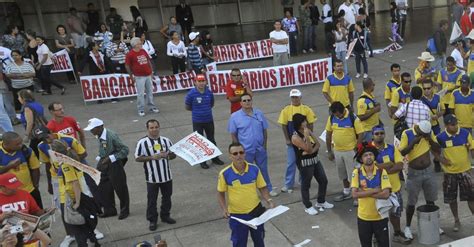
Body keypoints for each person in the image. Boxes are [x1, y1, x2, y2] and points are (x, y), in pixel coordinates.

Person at [217, 142, 275, 247]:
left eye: (241, 152)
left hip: (256, 212)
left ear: (245, 154)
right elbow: (220, 193)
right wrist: (224, 209)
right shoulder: (224, 173)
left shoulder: (254, 169)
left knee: (259, 241)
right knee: (239, 243)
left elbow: (262, 187)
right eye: (235, 154)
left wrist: (269, 200)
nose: (238, 155)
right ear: (230, 156)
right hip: (237, 216)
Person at [49, 139, 101, 247]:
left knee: (78, 228)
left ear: (55, 152)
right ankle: (93, 243)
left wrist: (77, 202)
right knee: (85, 226)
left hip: (73, 199)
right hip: (79, 197)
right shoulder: (68, 160)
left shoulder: (65, 165)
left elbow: (75, 183)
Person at [398, 120, 443, 239]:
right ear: (417, 128)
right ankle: (407, 227)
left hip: (428, 171)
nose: (423, 135)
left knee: (431, 199)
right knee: (412, 202)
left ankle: (433, 224)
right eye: (422, 134)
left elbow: (438, 148)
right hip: (414, 173)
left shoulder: (429, 133)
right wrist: (413, 142)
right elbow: (402, 152)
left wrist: (430, 139)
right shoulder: (406, 133)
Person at [228, 93, 278, 196]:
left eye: (248, 100)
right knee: (246, 172)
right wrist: (237, 151)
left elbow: (264, 130)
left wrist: (264, 146)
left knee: (263, 170)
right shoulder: (235, 117)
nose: (247, 102)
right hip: (245, 151)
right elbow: (233, 134)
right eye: (244, 101)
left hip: (260, 149)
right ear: (241, 103)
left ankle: (268, 188)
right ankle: (250, 192)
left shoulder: (259, 113)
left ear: (251, 101)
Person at [135, 119, 177, 231]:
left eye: (156, 127)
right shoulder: (142, 142)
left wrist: (167, 156)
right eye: (151, 128)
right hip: (152, 178)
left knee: (167, 197)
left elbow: (174, 154)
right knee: (152, 200)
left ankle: (165, 216)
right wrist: (152, 157)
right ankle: (152, 220)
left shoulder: (166, 141)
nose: (154, 130)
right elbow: (138, 158)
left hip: (167, 176)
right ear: (147, 129)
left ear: (159, 127)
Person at [84, 118, 130, 220]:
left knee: (120, 188)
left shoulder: (111, 136)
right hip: (104, 163)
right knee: (104, 187)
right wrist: (100, 158)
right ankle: (110, 210)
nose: (91, 131)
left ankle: (125, 210)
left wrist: (110, 158)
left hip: (115, 164)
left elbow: (125, 150)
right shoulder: (99, 135)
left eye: (93, 129)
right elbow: (103, 148)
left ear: (100, 127)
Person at [371, 126, 411, 244]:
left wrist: (382, 168)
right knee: (378, 216)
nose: (379, 135)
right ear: (373, 135)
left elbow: (399, 165)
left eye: (381, 133)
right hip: (379, 191)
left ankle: (397, 233)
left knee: (395, 214)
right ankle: (376, 237)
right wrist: (389, 164)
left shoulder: (392, 148)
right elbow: (372, 169)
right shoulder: (369, 151)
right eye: (377, 133)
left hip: (395, 189)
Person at [435, 114, 474, 232]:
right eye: (452, 125)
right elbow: (434, 151)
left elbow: (472, 148)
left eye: (456, 123)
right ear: (446, 125)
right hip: (449, 173)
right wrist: (441, 159)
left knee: (471, 197)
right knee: (452, 198)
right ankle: (456, 220)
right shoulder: (440, 137)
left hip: (465, 171)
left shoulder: (465, 133)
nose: (455, 126)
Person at [291, 113, 333, 215]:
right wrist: (306, 137)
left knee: (323, 180)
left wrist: (309, 134)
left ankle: (321, 201)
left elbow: (317, 144)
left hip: (315, 160)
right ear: (298, 124)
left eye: (305, 121)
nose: (305, 123)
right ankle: (308, 206)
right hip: (305, 163)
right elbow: (308, 149)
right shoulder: (295, 137)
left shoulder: (308, 131)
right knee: (306, 184)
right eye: (303, 121)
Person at [351, 142, 391, 247]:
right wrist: (374, 190)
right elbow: (354, 195)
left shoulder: (382, 171)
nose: (369, 157)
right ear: (361, 159)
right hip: (363, 218)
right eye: (365, 155)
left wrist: (363, 192)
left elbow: (386, 194)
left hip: (380, 218)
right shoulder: (357, 172)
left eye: (370, 154)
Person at [278, 89, 316, 193]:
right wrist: (287, 139)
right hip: (292, 142)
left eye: (296, 97)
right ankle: (288, 184)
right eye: (293, 97)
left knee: (303, 162)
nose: (294, 99)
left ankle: (303, 181)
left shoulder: (306, 109)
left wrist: (308, 137)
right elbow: (284, 125)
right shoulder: (286, 110)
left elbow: (311, 124)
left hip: (303, 141)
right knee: (291, 163)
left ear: (300, 97)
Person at [326, 102, 364, 204]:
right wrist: (329, 150)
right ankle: (346, 192)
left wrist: (357, 147)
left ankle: (357, 196)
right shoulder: (331, 118)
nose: (337, 116)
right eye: (335, 114)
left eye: (338, 114)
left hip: (350, 152)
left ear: (343, 110)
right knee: (342, 173)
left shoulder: (353, 118)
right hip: (337, 151)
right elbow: (328, 135)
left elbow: (361, 134)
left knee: (353, 175)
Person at [185, 74, 224, 169]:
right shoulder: (191, 94)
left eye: (203, 81)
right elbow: (187, 107)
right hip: (197, 121)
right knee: (200, 142)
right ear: (195, 82)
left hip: (209, 120)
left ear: (205, 82)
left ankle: (215, 158)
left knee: (211, 140)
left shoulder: (209, 93)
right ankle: (203, 161)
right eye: (199, 81)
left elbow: (211, 104)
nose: (201, 83)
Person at [0, 173, 51, 246]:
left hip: (29, 235)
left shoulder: (25, 194)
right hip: (9, 240)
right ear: (2, 187)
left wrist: (45, 212)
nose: (15, 188)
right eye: (12, 187)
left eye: (16, 185)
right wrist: (2, 217)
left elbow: (35, 212)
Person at [0, 131, 42, 209]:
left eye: (21, 142)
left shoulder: (26, 150)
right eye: (17, 144)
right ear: (7, 144)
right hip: (8, 193)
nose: (21, 145)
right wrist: (9, 166)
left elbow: (35, 168)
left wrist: (35, 186)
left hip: (29, 190)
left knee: (38, 214)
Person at [125, 37, 159, 117]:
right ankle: (141, 109)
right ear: (135, 45)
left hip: (147, 74)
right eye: (140, 43)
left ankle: (151, 106)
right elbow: (127, 66)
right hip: (139, 76)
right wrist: (131, 76)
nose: (141, 44)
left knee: (150, 91)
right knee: (140, 93)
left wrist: (151, 71)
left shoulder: (143, 51)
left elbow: (148, 61)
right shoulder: (130, 54)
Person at [17, 89, 46, 156]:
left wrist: (26, 135)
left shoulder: (27, 107)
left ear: (23, 98)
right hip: (42, 129)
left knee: (33, 152)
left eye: (19, 97)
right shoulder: (37, 104)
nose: (18, 99)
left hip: (35, 132)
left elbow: (30, 122)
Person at [357, 78, 381, 142]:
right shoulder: (362, 101)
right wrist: (374, 110)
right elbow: (360, 117)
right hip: (368, 131)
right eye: (373, 84)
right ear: (370, 86)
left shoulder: (371, 96)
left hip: (374, 128)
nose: (374, 85)